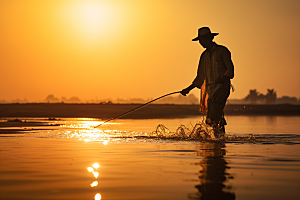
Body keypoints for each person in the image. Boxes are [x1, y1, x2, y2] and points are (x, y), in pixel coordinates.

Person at [181, 27, 234, 135]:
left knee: (213, 116)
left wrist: (223, 77)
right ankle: (220, 140)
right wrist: (188, 89)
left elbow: (230, 70)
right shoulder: (203, 56)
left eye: (202, 39)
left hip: (222, 88)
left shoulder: (222, 51)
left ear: (210, 38)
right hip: (211, 92)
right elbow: (200, 78)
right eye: (200, 40)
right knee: (213, 118)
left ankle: (219, 142)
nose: (201, 42)